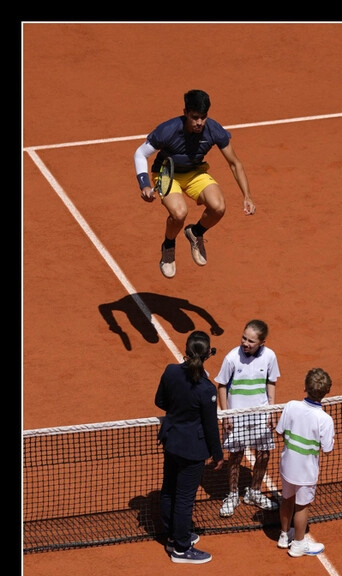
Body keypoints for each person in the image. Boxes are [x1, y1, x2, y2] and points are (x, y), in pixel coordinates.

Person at [134, 89, 256, 278]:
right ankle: (168, 245)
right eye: (195, 117)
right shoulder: (168, 130)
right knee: (179, 213)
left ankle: (195, 232)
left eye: (203, 117)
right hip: (168, 175)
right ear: (185, 113)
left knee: (218, 207)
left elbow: (235, 163)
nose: (199, 122)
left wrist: (247, 196)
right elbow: (140, 153)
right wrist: (144, 184)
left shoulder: (213, 129)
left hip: (195, 173)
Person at [155, 330, 223, 563]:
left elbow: (160, 402)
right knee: (184, 498)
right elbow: (210, 425)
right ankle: (182, 549)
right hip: (192, 451)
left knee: (169, 490)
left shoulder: (171, 372)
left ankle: (174, 536)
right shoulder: (206, 388)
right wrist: (218, 454)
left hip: (171, 442)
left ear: (186, 350)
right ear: (206, 355)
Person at [215, 319, 280, 517]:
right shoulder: (231, 358)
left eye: (251, 341)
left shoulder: (269, 356)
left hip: (260, 414)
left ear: (262, 343)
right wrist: (226, 415)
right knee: (235, 456)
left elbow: (271, 382)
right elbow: (222, 386)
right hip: (236, 416)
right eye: (244, 338)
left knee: (264, 454)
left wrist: (271, 411)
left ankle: (255, 492)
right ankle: (233, 494)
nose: (245, 343)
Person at [276, 368, 335, 557]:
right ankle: (299, 544)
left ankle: (284, 536)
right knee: (302, 506)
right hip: (306, 472)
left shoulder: (291, 406)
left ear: (305, 387)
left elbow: (279, 431)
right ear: (326, 392)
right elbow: (327, 450)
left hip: (287, 466)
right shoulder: (325, 420)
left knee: (287, 499)